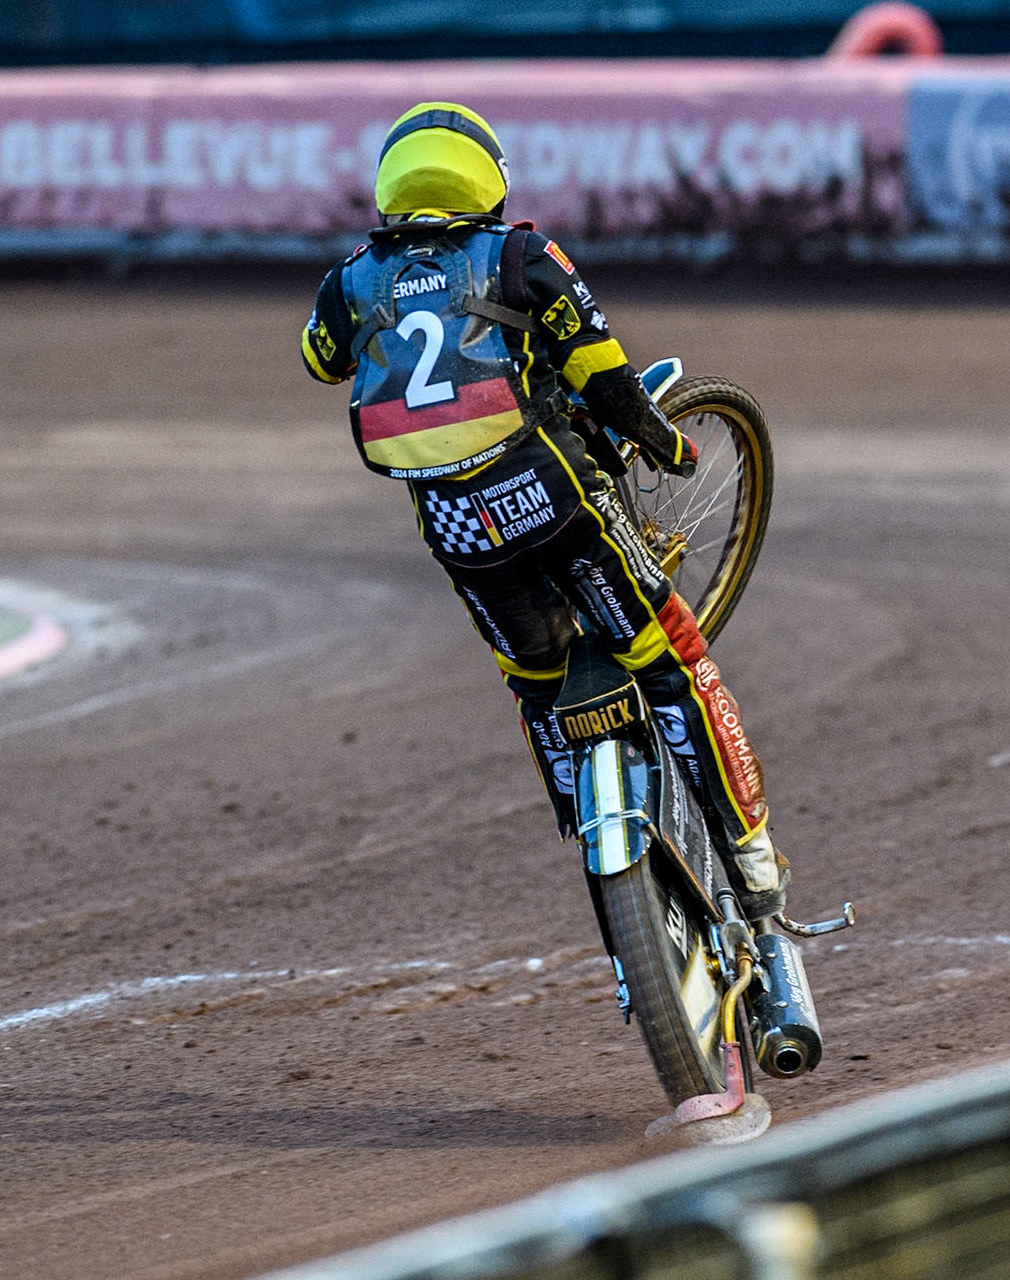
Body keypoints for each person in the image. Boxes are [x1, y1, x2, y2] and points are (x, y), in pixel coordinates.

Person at [300, 102, 790, 923]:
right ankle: (755, 857)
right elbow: (607, 382)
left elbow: (319, 358)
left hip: (459, 534)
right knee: (670, 660)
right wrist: (668, 445)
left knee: (536, 685)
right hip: (556, 506)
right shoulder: (522, 257)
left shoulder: (349, 279)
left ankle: (589, 832)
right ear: (487, 183)